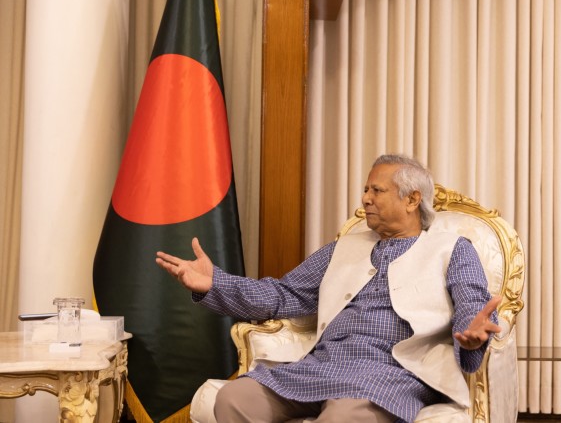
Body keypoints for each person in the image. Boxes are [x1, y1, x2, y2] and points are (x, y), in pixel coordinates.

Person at [156, 154, 501, 423]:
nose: (364, 198)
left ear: (412, 200)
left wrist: (472, 333)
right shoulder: (343, 247)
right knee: (235, 399)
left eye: (376, 191)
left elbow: (472, 301)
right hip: (323, 364)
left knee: (342, 418)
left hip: (390, 371)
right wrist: (216, 282)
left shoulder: (452, 248)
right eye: (365, 189)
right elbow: (283, 294)